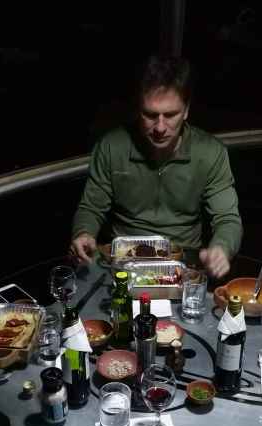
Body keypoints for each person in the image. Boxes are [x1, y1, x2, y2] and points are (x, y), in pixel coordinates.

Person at [69, 55, 242, 278]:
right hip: (122, 262)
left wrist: (221, 247)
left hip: (183, 262)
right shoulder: (112, 146)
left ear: (186, 110)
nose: (160, 127)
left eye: (170, 115)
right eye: (150, 115)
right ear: (137, 109)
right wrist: (84, 232)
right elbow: (91, 208)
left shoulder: (210, 153)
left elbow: (227, 219)